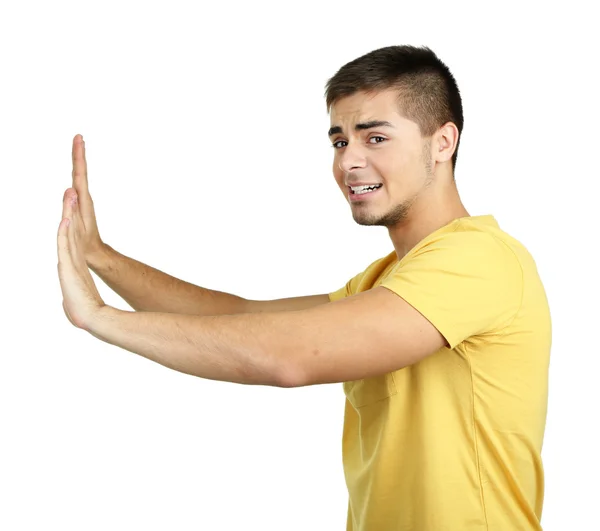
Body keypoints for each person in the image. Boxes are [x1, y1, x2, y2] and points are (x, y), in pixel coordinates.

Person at [56, 45, 552, 530]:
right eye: (339, 142)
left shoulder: (479, 258)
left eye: (374, 138)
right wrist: (100, 255)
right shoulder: (386, 280)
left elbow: (288, 356)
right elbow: (242, 318)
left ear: (443, 142)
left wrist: (100, 318)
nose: (348, 163)